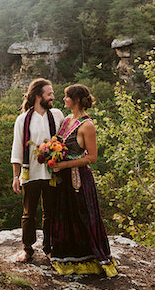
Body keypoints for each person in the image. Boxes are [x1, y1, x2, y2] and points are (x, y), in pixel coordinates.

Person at [43, 84, 118, 276]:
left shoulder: (87, 125)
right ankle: (66, 257)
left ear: (75, 100)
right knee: (64, 216)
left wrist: (64, 165)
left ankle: (89, 258)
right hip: (63, 180)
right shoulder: (67, 120)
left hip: (78, 180)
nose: (64, 99)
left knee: (82, 216)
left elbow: (92, 158)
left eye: (67, 97)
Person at [11, 78, 64, 263]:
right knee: (28, 214)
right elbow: (17, 148)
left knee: (50, 213)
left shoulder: (57, 115)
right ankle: (27, 249)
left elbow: (66, 139)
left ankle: (49, 248)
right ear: (38, 96)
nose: (53, 97)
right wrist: (15, 176)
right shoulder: (23, 119)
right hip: (30, 173)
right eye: (49, 94)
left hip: (52, 173)